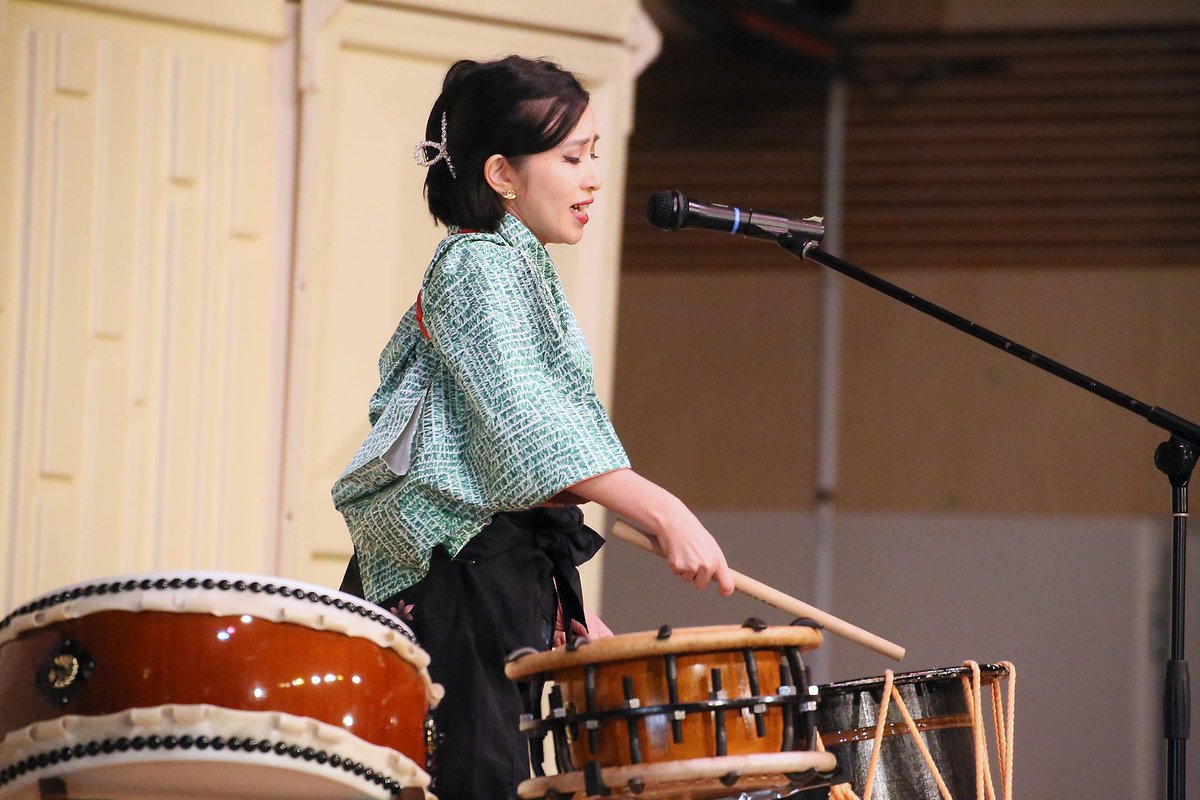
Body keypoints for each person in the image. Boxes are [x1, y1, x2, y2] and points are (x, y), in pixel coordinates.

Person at [331, 55, 735, 800]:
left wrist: (560, 605)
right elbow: (527, 429)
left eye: (594, 156)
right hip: (452, 577)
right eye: (572, 157)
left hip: (479, 571)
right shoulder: (477, 266)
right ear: (502, 175)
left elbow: (501, 455)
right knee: (475, 783)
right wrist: (661, 509)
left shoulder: (507, 264)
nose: (593, 179)